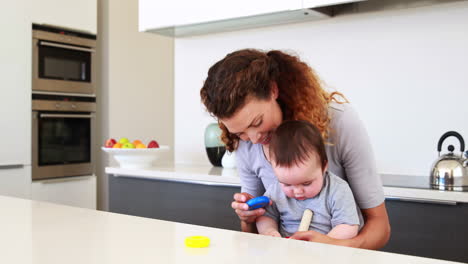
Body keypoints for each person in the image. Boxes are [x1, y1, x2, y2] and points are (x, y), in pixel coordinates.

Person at [200, 49, 390, 249]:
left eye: (257, 122)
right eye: (241, 133)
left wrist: (329, 248)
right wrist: (249, 218)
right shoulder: (246, 146)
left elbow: (380, 227)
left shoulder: (340, 122)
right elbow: (256, 236)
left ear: (273, 90)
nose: (254, 140)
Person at [257, 120, 362, 239]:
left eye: (306, 183)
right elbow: (265, 216)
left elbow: (348, 226)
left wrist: (324, 241)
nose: (297, 191)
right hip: (286, 250)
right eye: (287, 184)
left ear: (323, 167)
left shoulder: (338, 190)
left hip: (325, 251)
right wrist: (269, 231)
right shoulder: (275, 191)